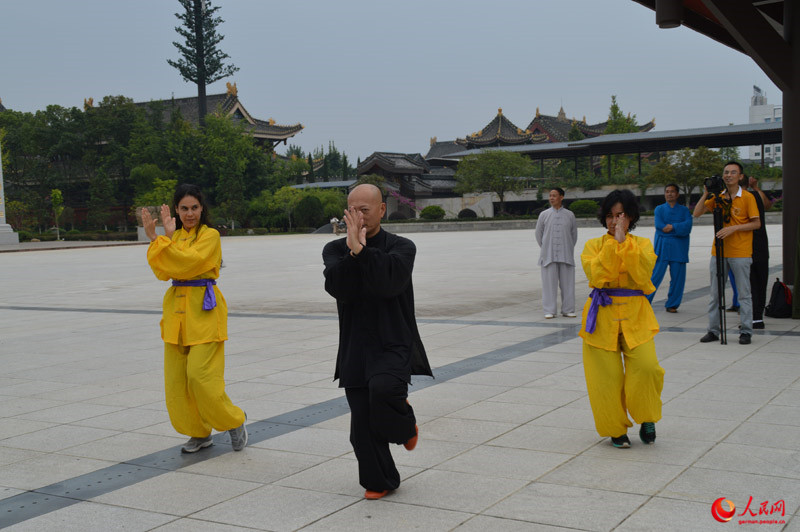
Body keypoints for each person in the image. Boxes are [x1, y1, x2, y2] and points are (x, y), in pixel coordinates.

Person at [322, 184, 433, 500]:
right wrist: (351, 251)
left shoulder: (402, 247)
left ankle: (404, 425)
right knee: (361, 425)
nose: (357, 217)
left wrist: (361, 251)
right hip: (355, 345)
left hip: (393, 341)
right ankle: (380, 479)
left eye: (365, 210)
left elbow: (389, 284)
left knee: (384, 392)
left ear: (382, 210)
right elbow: (337, 287)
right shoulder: (333, 250)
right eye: (352, 211)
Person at [142, 184, 248, 454]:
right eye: (184, 208)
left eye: (194, 208)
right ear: (176, 210)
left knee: (201, 376)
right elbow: (163, 271)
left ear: (202, 209)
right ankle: (198, 432)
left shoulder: (210, 235)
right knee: (177, 381)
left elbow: (189, 261)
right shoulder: (174, 237)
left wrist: (162, 241)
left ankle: (233, 421)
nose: (190, 214)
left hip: (204, 310)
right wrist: (157, 238)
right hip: (176, 312)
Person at [579, 189, 664, 448]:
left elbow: (642, 274)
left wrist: (623, 243)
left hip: (635, 315)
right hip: (601, 316)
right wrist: (613, 245)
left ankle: (647, 417)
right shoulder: (593, 246)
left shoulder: (643, 245)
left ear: (631, 218)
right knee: (605, 378)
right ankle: (615, 429)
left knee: (647, 368)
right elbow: (596, 276)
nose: (615, 221)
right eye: (610, 216)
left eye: (621, 215)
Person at [693, 161, 761, 345]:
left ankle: (746, 331)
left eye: (733, 172)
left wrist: (734, 229)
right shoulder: (718, 197)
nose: (728, 175)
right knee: (715, 294)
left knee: (744, 294)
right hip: (719, 252)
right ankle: (713, 330)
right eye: (726, 172)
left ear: (740, 177)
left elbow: (756, 223)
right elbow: (697, 213)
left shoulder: (747, 197)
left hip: (740, 252)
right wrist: (707, 192)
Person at [726, 175, 772, 328]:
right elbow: (768, 205)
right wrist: (757, 187)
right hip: (761, 245)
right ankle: (757, 318)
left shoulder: (742, 199)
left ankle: (751, 318)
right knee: (760, 281)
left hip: (746, 246)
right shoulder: (756, 195)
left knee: (748, 284)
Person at [647, 184, 693, 312]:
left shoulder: (684, 211)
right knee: (655, 276)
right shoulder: (659, 209)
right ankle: (645, 301)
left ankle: (672, 304)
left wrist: (672, 227)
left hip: (679, 249)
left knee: (678, 278)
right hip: (662, 247)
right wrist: (678, 229)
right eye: (667, 191)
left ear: (677, 194)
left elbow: (687, 227)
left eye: (672, 192)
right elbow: (660, 228)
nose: (669, 194)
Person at [535, 187, 578, 319]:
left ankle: (568, 309)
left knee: (568, 284)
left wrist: (568, 247)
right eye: (550, 195)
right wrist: (546, 248)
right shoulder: (544, 215)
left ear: (561, 197)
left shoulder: (570, 215)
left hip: (566, 254)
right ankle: (549, 310)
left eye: (554, 195)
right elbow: (538, 234)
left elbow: (574, 235)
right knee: (549, 285)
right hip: (548, 255)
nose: (551, 198)